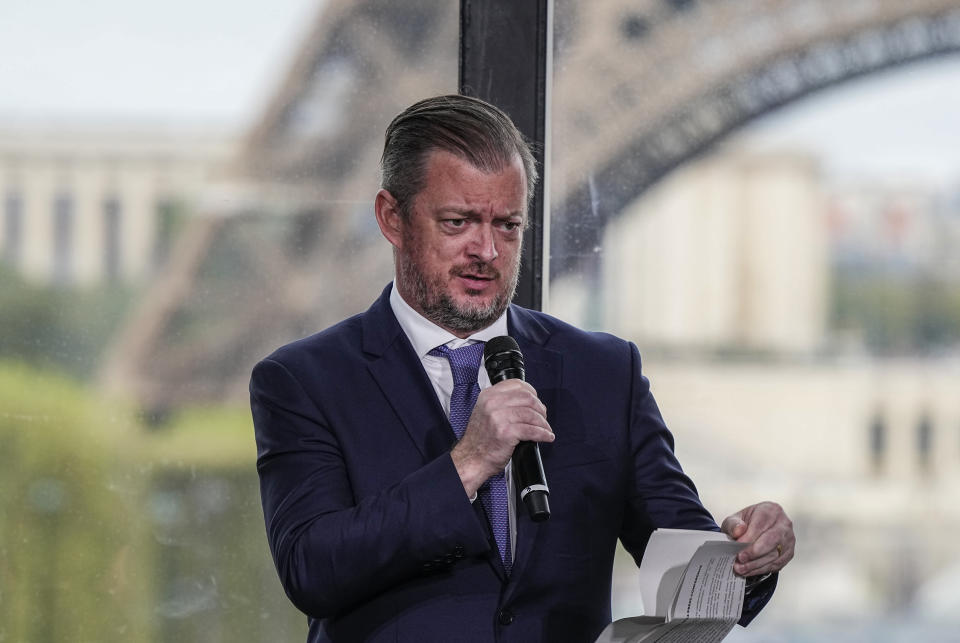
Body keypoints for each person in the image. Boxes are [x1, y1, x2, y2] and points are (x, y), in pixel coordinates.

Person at [250, 94, 795, 643]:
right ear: (392, 218)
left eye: (508, 226)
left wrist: (748, 554)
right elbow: (311, 569)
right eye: (458, 222)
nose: (486, 249)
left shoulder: (604, 371)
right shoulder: (303, 380)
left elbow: (681, 551)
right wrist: (469, 462)